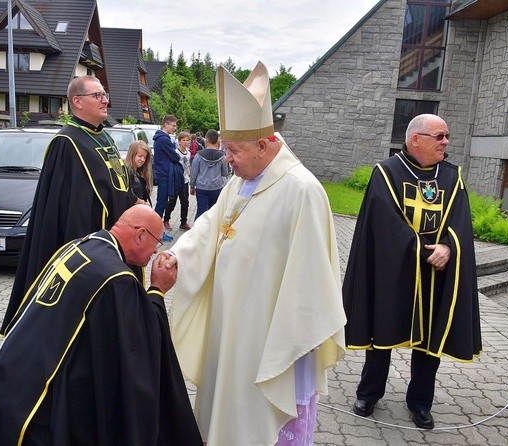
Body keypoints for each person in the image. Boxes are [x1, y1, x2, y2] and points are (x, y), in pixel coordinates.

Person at [158, 61, 346, 445]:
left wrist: (294, 337)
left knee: (258, 419)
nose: (228, 159)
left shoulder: (301, 191)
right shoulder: (243, 181)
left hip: (268, 337)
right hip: (230, 327)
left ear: (264, 145)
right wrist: (179, 255)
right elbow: (212, 224)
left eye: (234, 150)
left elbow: (312, 278)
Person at [0, 205, 203, 446]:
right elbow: (141, 343)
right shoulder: (116, 280)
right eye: (157, 241)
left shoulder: (80, 245)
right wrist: (157, 290)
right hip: (37, 407)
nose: (156, 250)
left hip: (10, 375)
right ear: (140, 235)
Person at [342, 113, 482, 429]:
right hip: (394, 269)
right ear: (416, 138)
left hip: (436, 272)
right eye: (440, 136)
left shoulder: (452, 176)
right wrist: (419, 250)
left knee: (430, 341)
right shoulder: (387, 173)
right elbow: (383, 223)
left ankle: (420, 402)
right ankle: (369, 393)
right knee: (383, 331)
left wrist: (448, 246)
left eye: (447, 136)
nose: (446, 142)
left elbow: (460, 220)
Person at [0, 75, 139, 336]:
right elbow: (68, 207)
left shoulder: (104, 137)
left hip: (119, 240)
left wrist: (133, 201)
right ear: (77, 101)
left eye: (104, 94)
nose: (105, 100)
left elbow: (114, 185)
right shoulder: (66, 143)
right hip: (92, 245)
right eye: (97, 95)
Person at [189, 129, 229, 219]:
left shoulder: (199, 155)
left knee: (201, 212)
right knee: (214, 213)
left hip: (201, 187)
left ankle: (198, 231)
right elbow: (225, 172)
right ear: (217, 140)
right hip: (216, 187)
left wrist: (192, 186)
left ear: (206, 140)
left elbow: (194, 173)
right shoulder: (222, 156)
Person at [152, 115, 179, 222]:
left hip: (162, 172)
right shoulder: (163, 139)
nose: (175, 128)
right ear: (166, 125)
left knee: (162, 201)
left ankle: (156, 227)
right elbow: (175, 157)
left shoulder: (161, 138)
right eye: (173, 125)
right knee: (161, 202)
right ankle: (155, 228)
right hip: (164, 174)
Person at [163, 131, 192, 230]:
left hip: (185, 180)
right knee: (172, 201)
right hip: (176, 180)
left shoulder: (188, 153)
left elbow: (187, 165)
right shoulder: (175, 152)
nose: (185, 142)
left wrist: (189, 175)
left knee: (185, 202)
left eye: (187, 140)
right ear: (179, 142)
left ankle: (183, 222)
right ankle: (166, 220)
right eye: (183, 140)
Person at [125, 140, 153, 206]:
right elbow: (127, 194)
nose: (142, 160)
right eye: (140, 156)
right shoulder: (127, 172)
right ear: (132, 154)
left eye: (145, 157)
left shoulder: (140, 172)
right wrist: (143, 203)